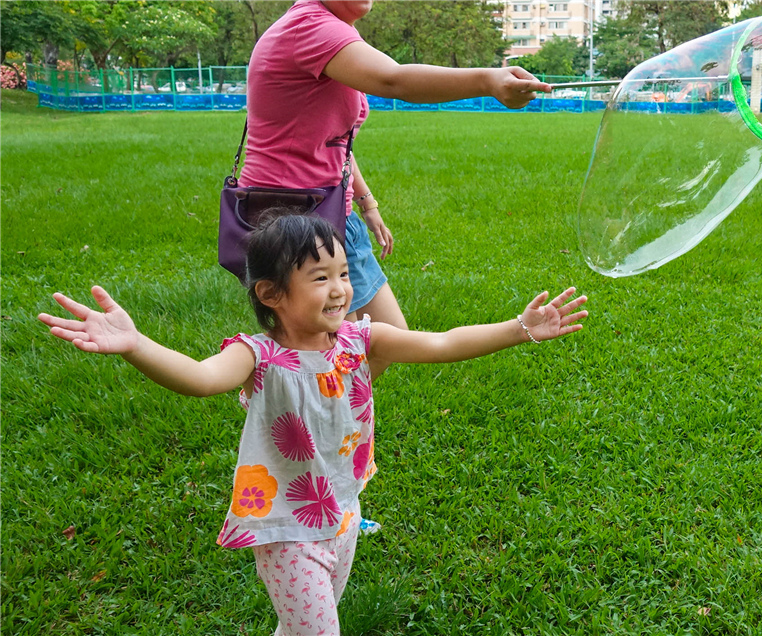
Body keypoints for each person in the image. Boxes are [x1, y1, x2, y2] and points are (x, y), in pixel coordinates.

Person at [38, 214, 587, 636]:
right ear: (272, 295)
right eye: (319, 277)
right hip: (285, 528)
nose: (341, 289)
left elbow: (442, 342)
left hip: (342, 512)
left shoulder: (362, 339)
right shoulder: (258, 356)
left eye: (344, 273)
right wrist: (136, 345)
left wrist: (519, 329)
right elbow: (200, 379)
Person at [241, 0, 552, 380]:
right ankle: (302, 417)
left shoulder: (335, 30)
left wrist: (366, 202)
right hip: (299, 221)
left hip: (329, 207)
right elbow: (395, 79)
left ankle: (322, 411)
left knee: (379, 342)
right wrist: (488, 80)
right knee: (336, 357)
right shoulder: (310, 26)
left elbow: (332, 140)